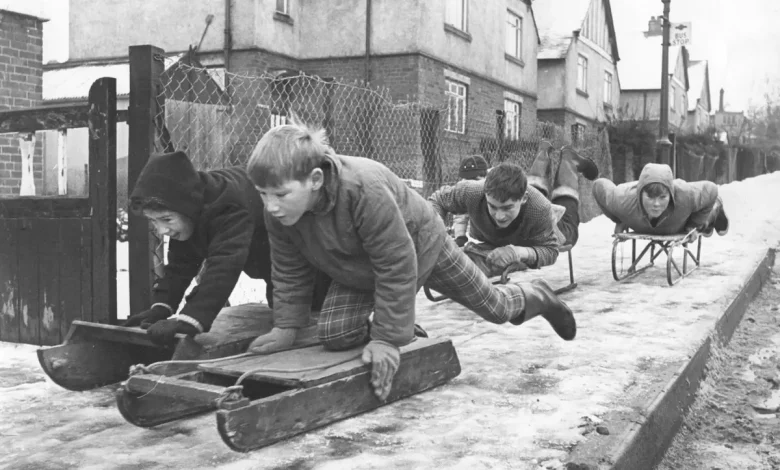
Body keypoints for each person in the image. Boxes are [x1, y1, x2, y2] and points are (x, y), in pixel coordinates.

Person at [244, 120, 576, 402]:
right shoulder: (280, 211)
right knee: (336, 334)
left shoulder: (363, 190)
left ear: (315, 180)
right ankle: (407, 329)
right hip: (360, 268)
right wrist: (287, 326)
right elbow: (289, 267)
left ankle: (537, 295)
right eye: (263, 194)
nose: (270, 205)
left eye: (280, 194)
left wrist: (386, 340)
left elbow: (397, 263)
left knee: (496, 309)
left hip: (424, 247)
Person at [122, 150, 331, 346]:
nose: (161, 230)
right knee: (279, 311)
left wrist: (190, 320)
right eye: (153, 221)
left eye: (166, 219)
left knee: (314, 315)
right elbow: (180, 264)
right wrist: (160, 307)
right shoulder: (189, 205)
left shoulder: (228, 206)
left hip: (307, 251)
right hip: (267, 255)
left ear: (187, 207)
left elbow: (224, 266)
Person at [428, 142, 599, 277]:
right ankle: (543, 153)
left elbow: (551, 251)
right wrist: (436, 237)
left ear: (523, 199)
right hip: (524, 211)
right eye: (492, 207)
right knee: (533, 187)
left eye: (506, 208)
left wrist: (519, 252)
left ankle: (569, 160)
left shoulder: (538, 208)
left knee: (565, 201)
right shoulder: (472, 192)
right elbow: (437, 200)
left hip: (551, 226)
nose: (499, 216)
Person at [592, 162, 729, 236]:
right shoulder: (622, 200)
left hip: (680, 220)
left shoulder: (686, 195)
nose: (656, 204)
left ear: (670, 194)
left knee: (703, 223)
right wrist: (619, 219)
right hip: (643, 217)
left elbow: (711, 190)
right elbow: (598, 186)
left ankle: (715, 211)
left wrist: (694, 225)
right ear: (640, 194)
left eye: (662, 197)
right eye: (650, 197)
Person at [452, 155, 489, 247]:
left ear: (486, 178)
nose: (470, 185)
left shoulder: (493, 189)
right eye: (466, 181)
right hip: (475, 236)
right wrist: (460, 236)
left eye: (475, 180)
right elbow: (460, 215)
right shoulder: (464, 191)